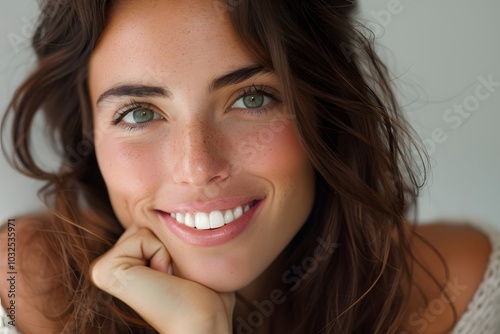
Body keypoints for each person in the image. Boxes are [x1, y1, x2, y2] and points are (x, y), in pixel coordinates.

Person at [0, 0, 498, 333]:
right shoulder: (22, 283)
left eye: (252, 99)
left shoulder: (453, 285)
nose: (198, 168)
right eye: (139, 113)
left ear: (325, 112)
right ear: (89, 136)